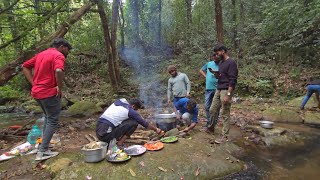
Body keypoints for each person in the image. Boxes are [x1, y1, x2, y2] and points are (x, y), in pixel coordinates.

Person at [22, 38, 72, 160]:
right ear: (62, 47)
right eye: (68, 50)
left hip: (37, 93)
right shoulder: (58, 55)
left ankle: (42, 147)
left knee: (48, 118)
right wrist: (59, 88)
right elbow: (59, 70)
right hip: (49, 93)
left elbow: (24, 66)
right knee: (53, 120)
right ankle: (43, 151)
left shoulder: (41, 54)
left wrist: (33, 83)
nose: (68, 52)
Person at [96, 98, 162, 148]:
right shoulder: (130, 111)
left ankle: (116, 138)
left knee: (128, 120)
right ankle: (120, 143)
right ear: (133, 106)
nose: (136, 111)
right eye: (136, 109)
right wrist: (156, 129)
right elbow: (144, 123)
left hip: (98, 132)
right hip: (106, 136)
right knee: (134, 123)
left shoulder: (119, 101)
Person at [208, 44, 238, 144]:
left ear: (223, 51)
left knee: (225, 113)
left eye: (217, 53)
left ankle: (225, 136)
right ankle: (211, 128)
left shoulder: (231, 62)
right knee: (212, 109)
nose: (216, 55)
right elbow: (221, 76)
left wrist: (228, 95)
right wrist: (216, 74)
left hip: (226, 89)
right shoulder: (221, 63)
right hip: (219, 88)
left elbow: (233, 80)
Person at [199, 52, 220, 133]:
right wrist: (206, 76)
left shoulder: (222, 64)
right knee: (207, 106)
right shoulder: (209, 63)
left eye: (216, 55)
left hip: (218, 88)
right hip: (208, 88)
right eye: (213, 55)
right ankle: (209, 121)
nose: (215, 56)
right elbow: (201, 70)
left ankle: (214, 123)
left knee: (216, 107)